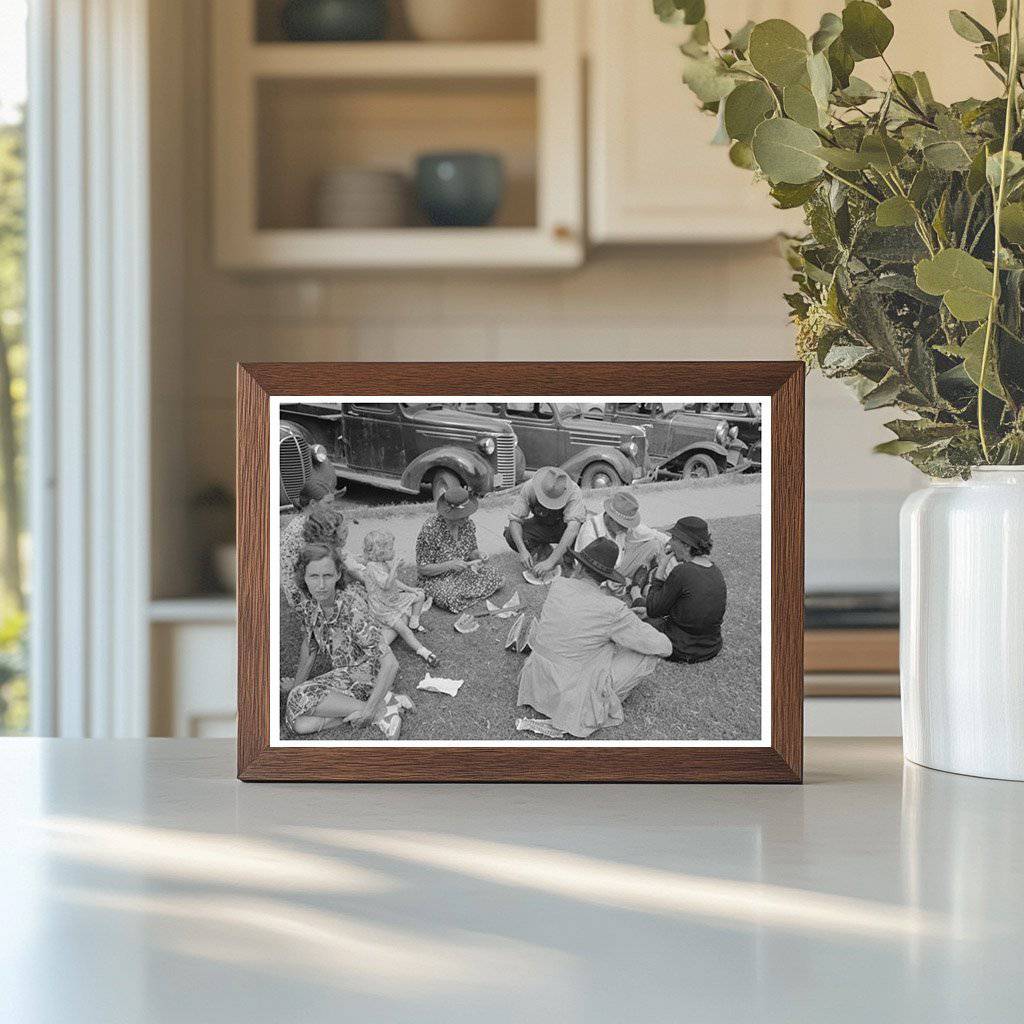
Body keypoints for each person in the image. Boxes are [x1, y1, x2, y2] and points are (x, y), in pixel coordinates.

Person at [517, 537, 673, 738]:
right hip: (572, 696)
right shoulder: (612, 609)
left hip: (536, 681)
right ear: (606, 577)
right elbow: (664, 646)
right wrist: (632, 624)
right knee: (647, 653)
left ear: (579, 566)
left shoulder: (558, 585)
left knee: (601, 642)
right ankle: (603, 701)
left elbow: (581, 613)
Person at [283, 544, 408, 738]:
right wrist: (296, 687)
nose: (321, 585)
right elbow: (310, 648)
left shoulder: (352, 608)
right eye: (314, 576)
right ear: (304, 577)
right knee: (299, 724)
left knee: (299, 698)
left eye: (327, 576)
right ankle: (387, 702)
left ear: (338, 575)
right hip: (345, 675)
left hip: (370, 674)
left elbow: (390, 663)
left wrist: (368, 711)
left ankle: (379, 711)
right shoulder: (309, 605)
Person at [645, 517, 727, 663]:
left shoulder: (682, 571)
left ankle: (636, 592)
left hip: (680, 648)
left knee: (641, 621)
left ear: (686, 545)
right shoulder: (716, 571)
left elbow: (653, 609)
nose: (669, 542)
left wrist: (661, 568)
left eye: (674, 538)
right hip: (711, 647)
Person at [415, 486, 503, 614]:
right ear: (449, 514)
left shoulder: (468, 525)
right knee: (450, 598)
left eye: (467, 515)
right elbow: (423, 569)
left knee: (499, 578)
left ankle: (463, 595)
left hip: (462, 574)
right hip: (436, 579)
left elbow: (472, 551)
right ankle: (457, 595)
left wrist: (479, 555)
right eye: (462, 516)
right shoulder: (430, 529)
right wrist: (450, 565)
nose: (466, 519)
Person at [361, 529, 439, 667]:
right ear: (380, 551)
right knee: (404, 630)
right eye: (390, 548)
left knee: (419, 595)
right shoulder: (372, 567)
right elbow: (386, 585)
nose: (393, 551)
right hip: (383, 608)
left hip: (392, 598)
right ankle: (424, 652)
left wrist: (411, 590)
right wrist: (395, 567)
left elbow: (395, 582)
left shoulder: (383, 563)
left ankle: (414, 622)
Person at [574, 489, 665, 594]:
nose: (626, 529)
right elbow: (582, 568)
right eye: (622, 525)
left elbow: (652, 533)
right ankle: (631, 585)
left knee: (654, 544)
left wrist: (671, 542)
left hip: (616, 569)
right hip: (596, 575)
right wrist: (607, 583)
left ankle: (631, 582)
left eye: (627, 526)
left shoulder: (620, 526)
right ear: (610, 518)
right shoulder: (590, 531)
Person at [504, 466, 587, 576]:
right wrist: (523, 551)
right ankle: (543, 549)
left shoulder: (574, 491)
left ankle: (566, 561)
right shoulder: (529, 487)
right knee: (510, 534)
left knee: (582, 534)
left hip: (563, 527)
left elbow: (572, 529)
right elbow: (515, 520)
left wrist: (550, 562)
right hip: (541, 525)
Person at [280, 471, 343, 608]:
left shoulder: (311, 521)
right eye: (328, 503)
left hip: (313, 580)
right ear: (313, 503)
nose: (332, 508)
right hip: (303, 593)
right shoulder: (302, 529)